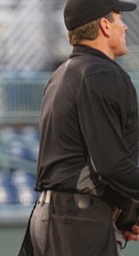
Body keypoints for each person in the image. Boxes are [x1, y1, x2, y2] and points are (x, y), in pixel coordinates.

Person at [18, 0, 139, 255]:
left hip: (49, 216)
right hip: (78, 221)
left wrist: (127, 214)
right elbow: (111, 165)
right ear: (105, 26)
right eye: (118, 18)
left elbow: (87, 160)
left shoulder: (61, 74)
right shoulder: (101, 74)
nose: (125, 27)